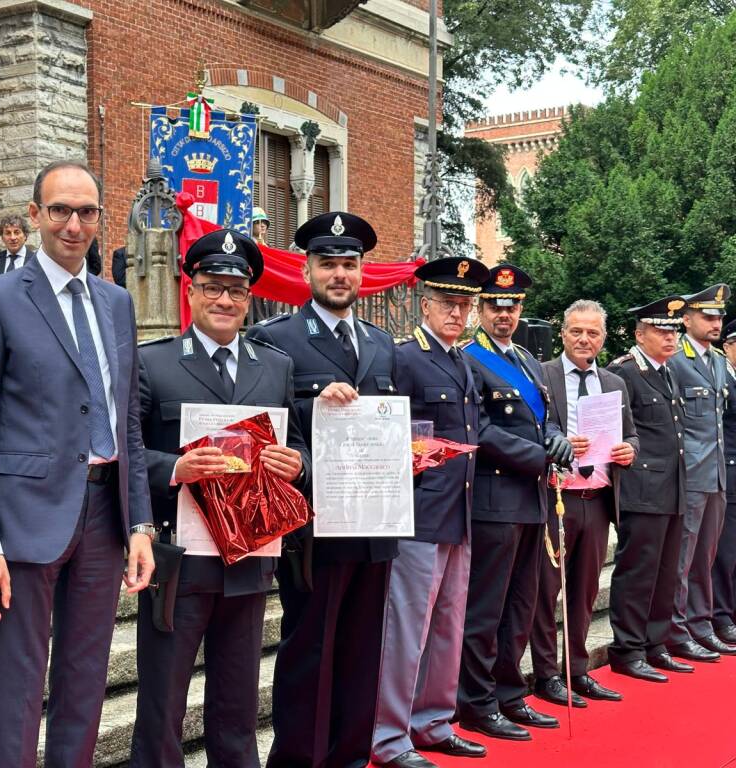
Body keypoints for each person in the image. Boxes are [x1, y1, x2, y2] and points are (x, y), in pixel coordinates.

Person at [0, 159, 155, 768]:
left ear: (101, 217)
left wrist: (140, 524)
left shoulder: (116, 301)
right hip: (23, 520)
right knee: (16, 687)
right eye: (60, 211)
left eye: (87, 212)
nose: (74, 225)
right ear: (35, 216)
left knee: (85, 680)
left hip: (103, 513)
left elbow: (126, 421)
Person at [129, 229, 310, 768]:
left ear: (250, 298)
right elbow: (128, 453)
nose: (224, 300)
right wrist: (175, 467)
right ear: (191, 290)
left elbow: (295, 442)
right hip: (178, 559)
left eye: (236, 290)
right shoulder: (152, 363)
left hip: (251, 556)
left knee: (237, 698)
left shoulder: (273, 366)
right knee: (163, 699)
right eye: (212, 287)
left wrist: (297, 464)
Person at [246, 211, 400, 768]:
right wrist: (314, 408)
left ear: (362, 272)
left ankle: (350, 758)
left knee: (364, 655)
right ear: (307, 269)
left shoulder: (383, 345)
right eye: (328, 264)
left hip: (376, 523)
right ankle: (297, 761)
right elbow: (261, 427)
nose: (340, 274)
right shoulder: (276, 340)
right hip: (313, 526)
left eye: (350, 265)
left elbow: (391, 424)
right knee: (310, 650)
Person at [370, 256, 489, 768]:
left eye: (465, 304)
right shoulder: (404, 358)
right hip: (417, 513)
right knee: (406, 631)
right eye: (448, 303)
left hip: (457, 512)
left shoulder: (464, 361)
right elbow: (384, 430)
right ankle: (389, 736)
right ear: (426, 304)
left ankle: (434, 722)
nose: (457, 312)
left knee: (448, 627)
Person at [457, 264, 573, 741]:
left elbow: (542, 417)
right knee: (486, 609)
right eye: (494, 306)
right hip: (494, 498)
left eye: (512, 306)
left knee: (521, 605)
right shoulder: (469, 358)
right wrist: (538, 454)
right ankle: (477, 702)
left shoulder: (526, 358)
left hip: (533, 499)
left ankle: (509, 692)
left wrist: (559, 439)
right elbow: (479, 430)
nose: (504, 314)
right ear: (480, 310)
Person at [530, 300, 637, 708]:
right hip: (556, 496)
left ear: (603, 339)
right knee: (545, 591)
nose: (584, 339)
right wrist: (554, 443)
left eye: (592, 333)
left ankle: (576, 670)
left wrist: (630, 449)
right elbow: (534, 428)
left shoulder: (614, 383)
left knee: (585, 590)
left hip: (597, 499)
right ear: (563, 333)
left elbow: (632, 435)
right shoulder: (542, 375)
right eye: (576, 331)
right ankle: (545, 675)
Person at [606, 296, 690, 682]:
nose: (670, 336)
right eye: (661, 329)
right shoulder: (625, 372)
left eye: (673, 329)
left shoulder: (667, 370)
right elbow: (618, 432)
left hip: (671, 488)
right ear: (640, 334)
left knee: (665, 573)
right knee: (638, 572)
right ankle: (628, 648)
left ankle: (655, 643)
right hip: (642, 489)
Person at [666, 283, 736, 661]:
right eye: (708, 316)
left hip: (717, 473)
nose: (716, 322)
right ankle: (679, 630)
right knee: (682, 559)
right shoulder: (677, 360)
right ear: (687, 318)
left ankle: (702, 623)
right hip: (690, 473)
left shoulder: (718, 362)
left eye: (719, 317)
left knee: (706, 556)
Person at [712, 320, 736, 643]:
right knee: (725, 551)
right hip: (727, 470)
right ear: (728, 346)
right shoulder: (721, 379)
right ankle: (722, 614)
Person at [0, 213, 35, 278]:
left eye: (17, 232)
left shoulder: (36, 261)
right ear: (2, 238)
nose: (12, 237)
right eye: (8, 233)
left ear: (25, 236)